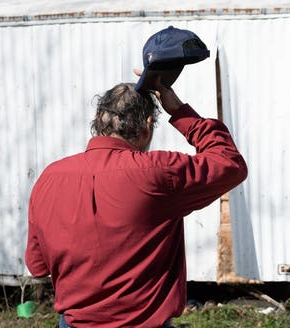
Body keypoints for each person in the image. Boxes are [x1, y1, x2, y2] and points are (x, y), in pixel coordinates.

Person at [24, 67, 248, 327]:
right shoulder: (158, 173)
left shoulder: (49, 178)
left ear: (98, 120)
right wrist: (179, 111)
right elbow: (229, 163)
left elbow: (37, 266)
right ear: (148, 126)